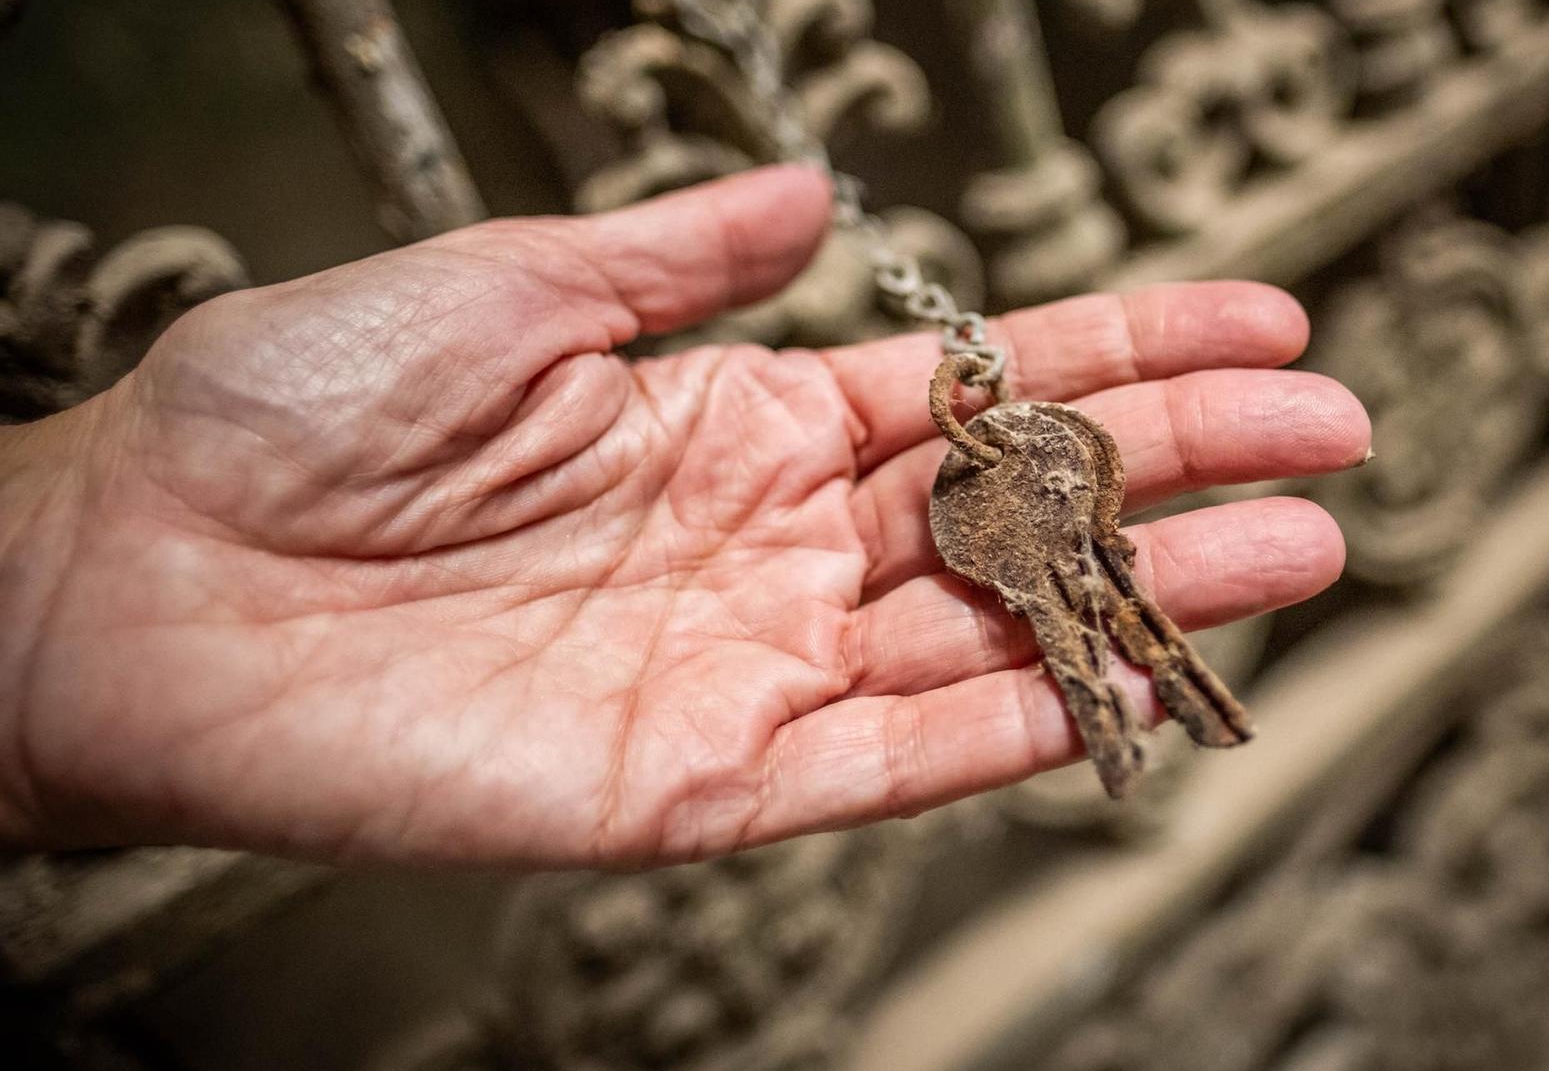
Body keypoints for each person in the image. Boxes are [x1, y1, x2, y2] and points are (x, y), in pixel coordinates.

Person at [0, 165, 1369, 865]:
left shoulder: (1028, 461)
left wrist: (64, 546)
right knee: (1100, 639)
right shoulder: (988, 478)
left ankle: (1159, 720)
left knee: (1112, 624)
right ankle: (1160, 723)